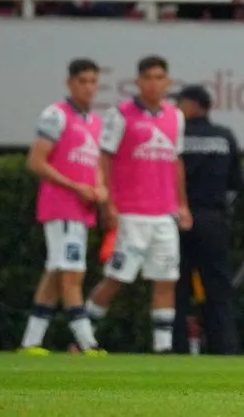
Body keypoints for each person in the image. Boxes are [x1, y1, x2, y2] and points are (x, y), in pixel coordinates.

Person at [85, 56, 193, 354]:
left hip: (164, 213)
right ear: (138, 82)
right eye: (149, 78)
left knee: (166, 278)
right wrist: (109, 202)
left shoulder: (175, 117)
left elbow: (176, 161)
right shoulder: (120, 114)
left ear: (168, 82)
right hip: (131, 212)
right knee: (116, 278)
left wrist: (182, 205)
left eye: (160, 78)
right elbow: (105, 156)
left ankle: (163, 347)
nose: (154, 83)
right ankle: (82, 337)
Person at [19, 59, 106, 356]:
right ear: (69, 83)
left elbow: (93, 163)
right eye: (83, 81)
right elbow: (36, 161)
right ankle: (87, 342)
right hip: (61, 207)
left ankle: (31, 342)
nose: (89, 87)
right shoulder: (56, 115)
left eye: (93, 81)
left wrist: (99, 186)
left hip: (82, 209)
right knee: (72, 274)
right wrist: (75, 186)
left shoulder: (95, 121)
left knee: (56, 272)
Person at [172, 85, 242, 356]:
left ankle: (176, 347)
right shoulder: (224, 137)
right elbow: (236, 182)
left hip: (179, 217)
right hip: (214, 219)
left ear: (191, 104)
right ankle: (225, 348)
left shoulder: (176, 135)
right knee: (218, 289)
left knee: (177, 287)